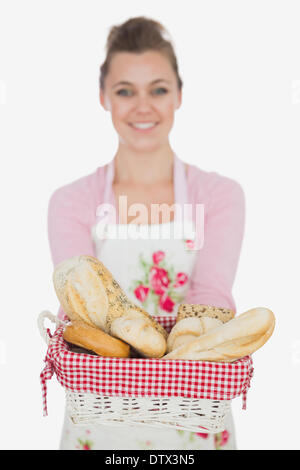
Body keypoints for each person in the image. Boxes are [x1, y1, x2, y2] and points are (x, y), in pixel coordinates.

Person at [47, 16, 245, 450]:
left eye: (157, 89)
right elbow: (78, 315)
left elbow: (211, 300)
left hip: (194, 418)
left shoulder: (219, 196)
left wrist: (159, 368)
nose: (143, 107)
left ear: (178, 95)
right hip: (98, 422)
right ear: (104, 98)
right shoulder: (71, 202)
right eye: (124, 91)